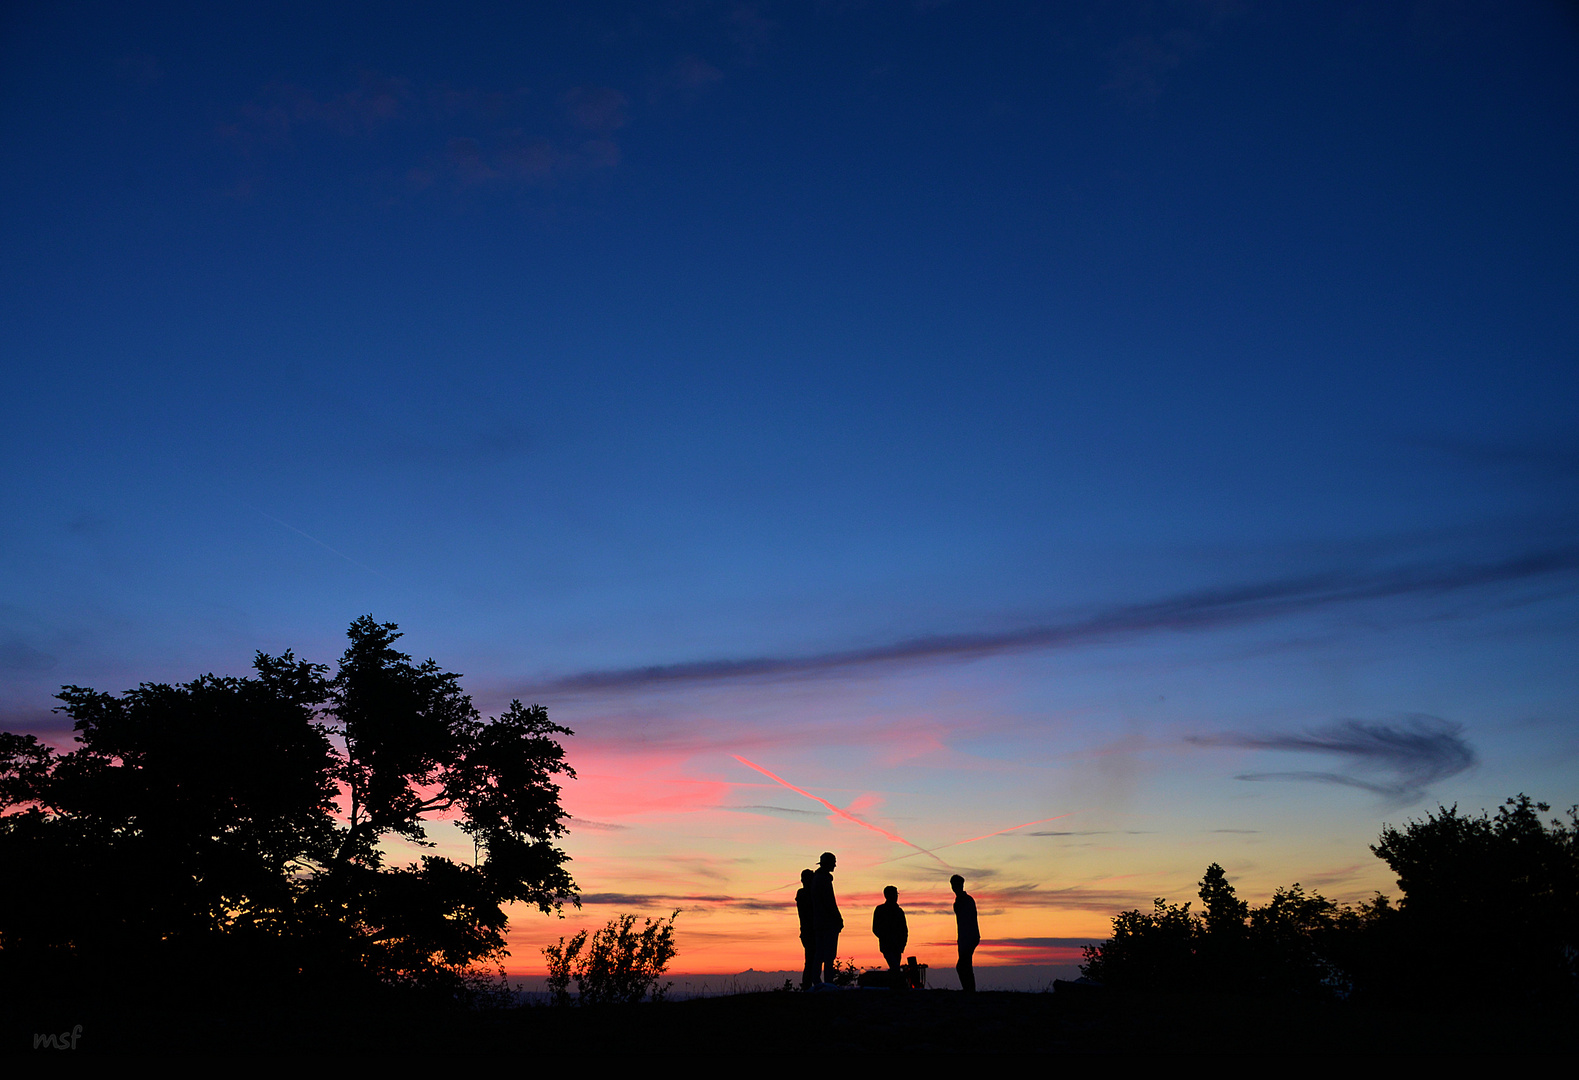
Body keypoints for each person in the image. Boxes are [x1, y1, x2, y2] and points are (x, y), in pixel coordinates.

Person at [811, 852, 843, 986]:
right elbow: (829, 902)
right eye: (833, 862)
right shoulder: (823, 879)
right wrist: (838, 919)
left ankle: (818, 981)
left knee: (820, 953)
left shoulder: (818, 878)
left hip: (820, 922)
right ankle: (827, 982)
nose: (835, 865)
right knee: (828, 954)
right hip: (827, 923)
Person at [871, 885, 908, 988]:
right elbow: (875, 928)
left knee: (894, 967)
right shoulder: (880, 910)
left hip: (898, 945)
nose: (896, 896)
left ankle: (895, 987)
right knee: (895, 967)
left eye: (896, 894)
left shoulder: (899, 911)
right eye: (894, 894)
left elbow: (904, 929)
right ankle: (899, 986)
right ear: (887, 895)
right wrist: (885, 938)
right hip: (887, 945)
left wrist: (903, 943)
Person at [951, 873, 979, 993]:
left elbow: (968, 921)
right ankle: (969, 989)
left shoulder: (966, 900)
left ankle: (969, 990)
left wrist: (967, 938)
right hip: (965, 937)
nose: (955, 887)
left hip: (969, 937)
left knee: (962, 965)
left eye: (956, 885)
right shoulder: (961, 900)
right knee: (965, 965)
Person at [795, 868, 817, 990]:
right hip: (810, 932)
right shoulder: (805, 894)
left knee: (811, 960)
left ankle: (809, 986)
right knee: (811, 960)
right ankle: (810, 986)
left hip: (806, 932)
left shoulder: (802, 893)